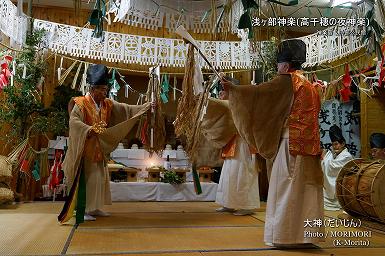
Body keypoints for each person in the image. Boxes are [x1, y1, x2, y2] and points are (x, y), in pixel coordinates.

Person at [221, 39, 324, 248]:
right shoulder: (310, 86)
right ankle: (307, 237)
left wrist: (233, 89)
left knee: (285, 188)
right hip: (310, 145)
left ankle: (285, 236)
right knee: (307, 190)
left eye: (278, 65)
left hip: (290, 143)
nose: (278, 69)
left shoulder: (286, 80)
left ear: (285, 65)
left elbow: (259, 94)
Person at [58, 64, 150, 224]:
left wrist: (145, 107)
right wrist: (89, 129)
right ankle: (82, 209)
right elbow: (74, 122)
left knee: (100, 179)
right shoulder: (80, 103)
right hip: (84, 150)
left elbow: (127, 110)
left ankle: (94, 207)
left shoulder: (107, 104)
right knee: (88, 179)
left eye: (105, 89)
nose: (104, 92)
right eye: (101, 89)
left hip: (99, 150)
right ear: (92, 89)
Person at [215, 90, 260, 216]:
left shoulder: (242, 105)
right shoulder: (228, 106)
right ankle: (228, 203)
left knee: (243, 173)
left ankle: (246, 206)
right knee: (229, 174)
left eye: (223, 92)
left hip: (244, 144)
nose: (220, 95)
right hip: (232, 143)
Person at [321, 125, 353, 211]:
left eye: (336, 144)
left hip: (342, 187)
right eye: (333, 144)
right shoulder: (334, 155)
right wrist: (326, 157)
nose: (335, 147)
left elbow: (332, 166)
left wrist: (325, 157)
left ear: (343, 143)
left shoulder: (347, 156)